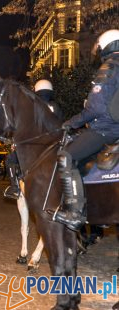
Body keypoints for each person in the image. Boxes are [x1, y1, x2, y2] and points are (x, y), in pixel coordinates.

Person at [54, 29, 119, 231]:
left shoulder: (109, 67)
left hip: (106, 129)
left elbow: (96, 107)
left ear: (105, 46)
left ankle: (74, 212)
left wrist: (71, 122)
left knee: (66, 156)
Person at [4, 78, 61, 199]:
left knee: (10, 159)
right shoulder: (56, 106)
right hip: (54, 143)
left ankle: (14, 187)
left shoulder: (33, 107)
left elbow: (26, 127)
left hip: (36, 143)